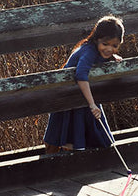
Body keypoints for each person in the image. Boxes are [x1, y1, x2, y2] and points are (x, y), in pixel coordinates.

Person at [43, 15, 124, 153]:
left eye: (114, 46)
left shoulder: (96, 50)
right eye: (105, 44)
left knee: (80, 130)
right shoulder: (88, 51)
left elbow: (99, 56)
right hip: (69, 95)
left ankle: (81, 158)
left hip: (80, 94)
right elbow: (80, 74)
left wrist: (110, 57)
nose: (109, 49)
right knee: (67, 133)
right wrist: (92, 104)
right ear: (96, 39)